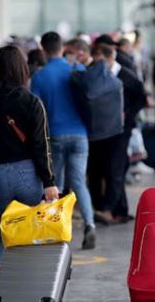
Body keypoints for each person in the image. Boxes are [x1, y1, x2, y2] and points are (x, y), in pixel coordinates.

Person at [0, 46, 60, 279]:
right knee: (27, 231)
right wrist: (49, 181)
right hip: (26, 175)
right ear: (23, 69)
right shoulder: (32, 102)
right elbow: (41, 146)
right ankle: (25, 280)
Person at [30, 32, 96, 249]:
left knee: (54, 185)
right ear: (61, 48)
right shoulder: (76, 70)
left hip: (55, 135)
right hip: (80, 134)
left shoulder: (39, 77)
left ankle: (55, 231)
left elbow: (37, 112)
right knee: (78, 182)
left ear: (43, 49)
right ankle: (89, 224)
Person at [92, 45, 147, 223]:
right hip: (105, 130)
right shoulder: (100, 76)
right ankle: (120, 209)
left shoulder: (126, 76)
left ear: (108, 58)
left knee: (115, 169)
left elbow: (142, 97)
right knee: (111, 168)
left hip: (122, 130)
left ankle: (108, 209)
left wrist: (128, 113)